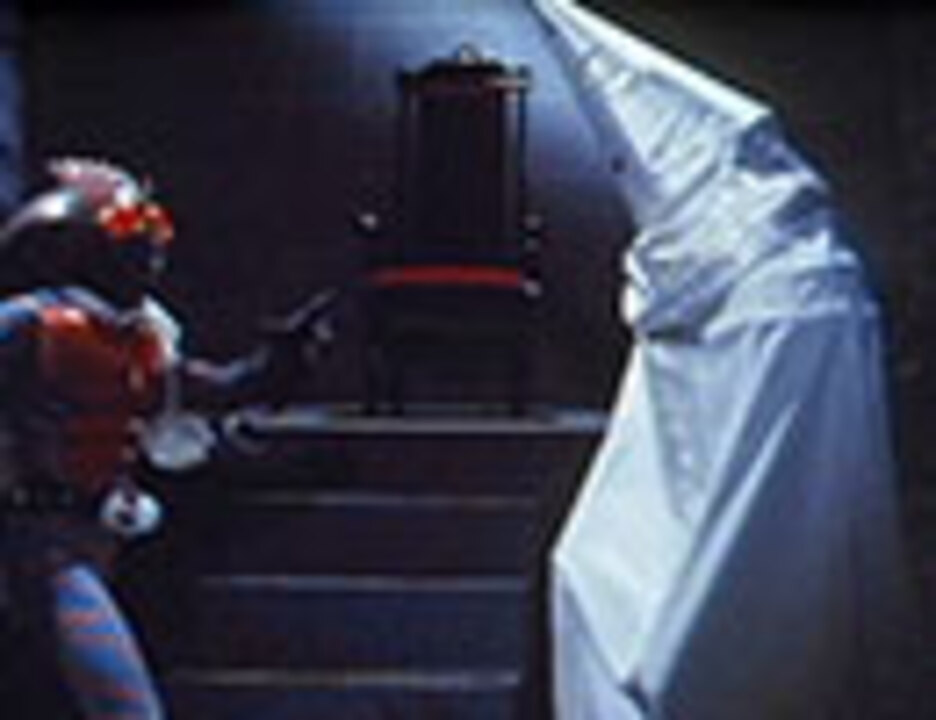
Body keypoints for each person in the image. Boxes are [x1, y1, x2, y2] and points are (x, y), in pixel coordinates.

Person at [533, 2, 919, 720]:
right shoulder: (779, 245)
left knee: (708, 588)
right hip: (740, 347)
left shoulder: (770, 261)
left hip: (759, 348)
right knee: (595, 573)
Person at [0, 157, 311, 720]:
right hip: (41, 539)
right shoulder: (30, 324)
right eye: (130, 233)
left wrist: (276, 365)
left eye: (152, 233)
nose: (149, 250)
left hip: (104, 536)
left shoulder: (137, 336)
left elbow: (208, 387)